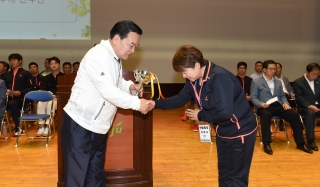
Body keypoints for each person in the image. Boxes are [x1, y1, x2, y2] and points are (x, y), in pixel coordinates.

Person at [60, 20, 153, 187]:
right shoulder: (98, 55)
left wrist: (129, 85)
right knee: (77, 178)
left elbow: (115, 82)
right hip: (80, 125)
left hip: (99, 126)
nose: (132, 50)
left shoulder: (114, 58)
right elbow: (108, 91)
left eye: (135, 47)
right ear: (116, 39)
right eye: (131, 45)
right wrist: (138, 104)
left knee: (95, 175)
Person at [149, 45, 257, 186]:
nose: (183, 76)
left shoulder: (219, 77)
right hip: (223, 132)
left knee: (235, 178)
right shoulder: (194, 80)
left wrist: (200, 115)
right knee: (224, 174)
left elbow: (224, 112)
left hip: (240, 133)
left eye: (184, 71)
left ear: (197, 65)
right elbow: (180, 99)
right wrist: (154, 104)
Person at [251, 60, 312, 155]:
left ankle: (300, 143)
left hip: (277, 105)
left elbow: (282, 96)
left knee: (294, 115)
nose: (273, 71)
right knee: (266, 116)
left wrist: (285, 103)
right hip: (264, 106)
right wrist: (261, 104)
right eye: (271, 69)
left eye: (274, 69)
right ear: (264, 69)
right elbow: (253, 97)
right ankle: (267, 143)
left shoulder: (278, 81)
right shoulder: (256, 82)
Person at [2, 53, 32, 136]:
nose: (12, 62)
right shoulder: (6, 75)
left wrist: (20, 92)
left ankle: (18, 127)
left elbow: (30, 88)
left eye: (14, 60)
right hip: (7, 98)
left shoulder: (26, 73)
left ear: (20, 61)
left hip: (21, 99)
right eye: (11, 61)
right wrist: (5, 91)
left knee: (13, 103)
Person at [293, 63, 320, 151]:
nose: (315, 76)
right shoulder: (298, 82)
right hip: (305, 107)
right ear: (307, 72)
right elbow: (299, 98)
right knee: (310, 113)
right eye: (313, 74)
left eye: (317, 74)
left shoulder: (318, 81)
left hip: (318, 106)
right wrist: (309, 106)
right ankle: (310, 140)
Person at [36, 57, 64, 137]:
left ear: (59, 65)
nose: (53, 65)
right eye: (51, 64)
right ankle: (41, 127)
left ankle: (48, 127)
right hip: (47, 98)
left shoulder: (64, 77)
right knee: (40, 103)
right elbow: (42, 90)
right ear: (49, 66)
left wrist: (56, 95)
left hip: (58, 100)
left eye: (55, 63)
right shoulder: (45, 78)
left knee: (50, 104)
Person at [275, 62, 295, 131]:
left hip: (287, 96)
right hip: (278, 97)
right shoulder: (272, 79)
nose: (277, 69)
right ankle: (281, 122)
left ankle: (301, 120)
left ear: (281, 69)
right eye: (276, 68)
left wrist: (291, 94)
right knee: (283, 103)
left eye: (279, 68)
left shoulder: (285, 79)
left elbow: (289, 89)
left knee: (299, 100)